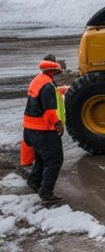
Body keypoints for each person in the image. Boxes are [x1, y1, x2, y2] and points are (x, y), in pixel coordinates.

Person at [23, 58, 65, 205]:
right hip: (44, 130)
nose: (57, 74)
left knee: (42, 157)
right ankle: (46, 192)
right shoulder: (48, 85)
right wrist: (58, 124)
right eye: (56, 72)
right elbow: (49, 111)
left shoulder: (37, 80)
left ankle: (34, 182)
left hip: (31, 128)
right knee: (55, 159)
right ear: (52, 71)